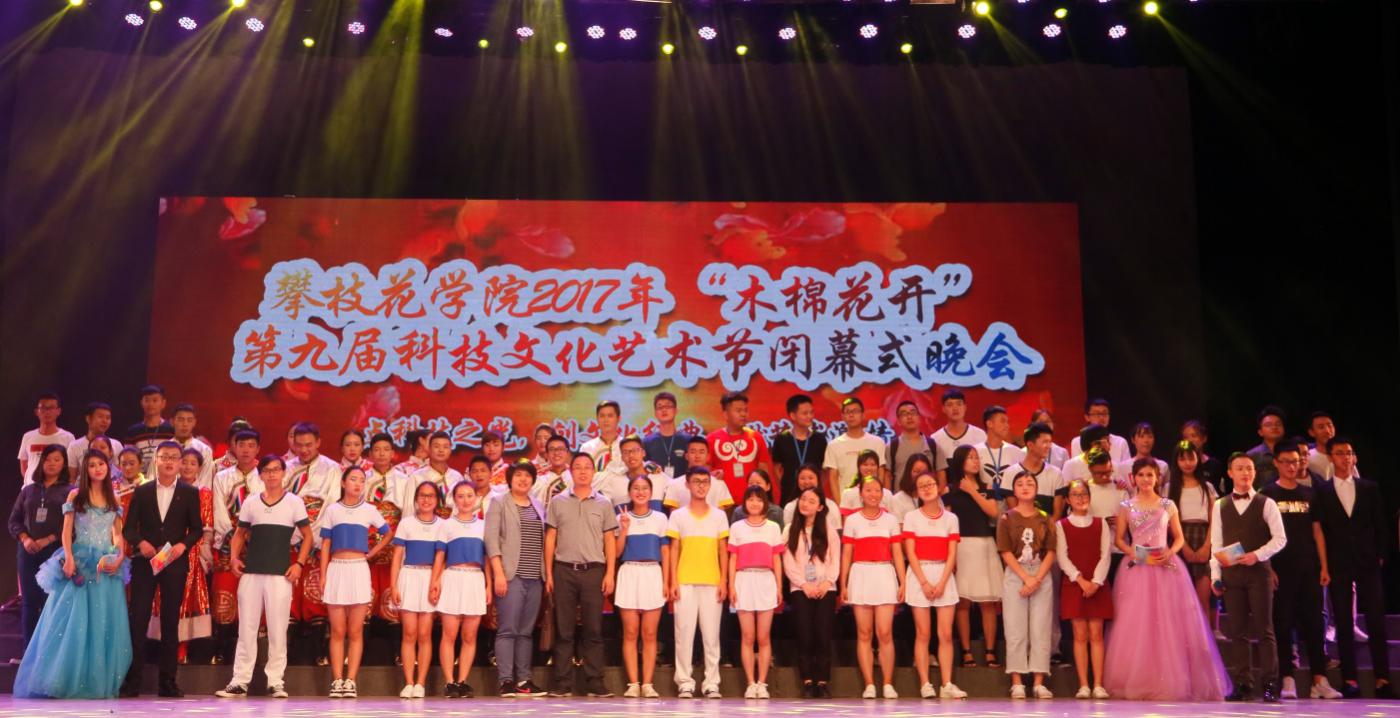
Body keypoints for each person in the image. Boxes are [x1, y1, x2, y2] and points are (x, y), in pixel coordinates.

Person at [1107, 458, 1229, 700]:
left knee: (1169, 623)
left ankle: (1172, 678)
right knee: (1137, 623)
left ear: (1158, 478)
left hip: (1165, 567)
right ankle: (1139, 678)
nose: (1145, 479)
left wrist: (1170, 552)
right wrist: (1132, 552)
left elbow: (1179, 538)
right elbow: (1119, 539)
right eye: (1141, 475)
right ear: (1133, 478)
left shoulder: (1168, 504)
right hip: (1137, 568)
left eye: (1150, 475)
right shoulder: (1126, 506)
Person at [13, 450, 130, 698]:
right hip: (80, 559)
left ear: (108, 467)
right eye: (92, 465)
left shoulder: (114, 497)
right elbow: (66, 531)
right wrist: (68, 558)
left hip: (105, 563)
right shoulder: (76, 495)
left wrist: (119, 556)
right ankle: (62, 680)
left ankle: (95, 680)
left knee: (102, 620)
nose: (98, 468)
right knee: (70, 621)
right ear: (85, 470)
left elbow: (118, 534)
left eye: (101, 464)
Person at [215, 454, 312, 699]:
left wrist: (299, 564)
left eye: (276, 470)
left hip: (280, 575)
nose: (272, 474)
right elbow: (239, 534)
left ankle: (276, 681)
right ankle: (239, 681)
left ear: (283, 473)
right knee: (246, 628)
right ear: (260, 475)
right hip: (251, 574)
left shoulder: (294, 502)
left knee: (278, 630)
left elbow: (308, 536)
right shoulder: (251, 502)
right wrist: (234, 558)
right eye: (267, 470)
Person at [121, 440, 204, 698]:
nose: (169, 462)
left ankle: (167, 682)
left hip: (174, 563)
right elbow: (128, 529)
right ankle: (133, 681)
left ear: (180, 462)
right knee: (138, 620)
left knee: (170, 622)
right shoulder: (142, 491)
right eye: (164, 457)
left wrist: (182, 545)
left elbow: (197, 529)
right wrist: (141, 543)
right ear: (155, 460)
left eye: (174, 457)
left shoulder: (190, 492)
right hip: (145, 563)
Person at [1314, 437, 1394, 698]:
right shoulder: (1322, 490)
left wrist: (1380, 554)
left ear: (1354, 457)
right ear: (1331, 458)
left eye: (1349, 453)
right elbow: (1321, 529)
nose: (1345, 458)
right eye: (1340, 453)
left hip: (1368, 560)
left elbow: (1380, 523)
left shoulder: (1369, 487)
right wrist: (1325, 563)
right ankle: (1350, 679)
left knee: (1376, 619)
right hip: (1338, 562)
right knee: (1343, 621)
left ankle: (1382, 678)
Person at [1262, 442, 1341, 699]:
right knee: (1283, 623)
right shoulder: (1268, 494)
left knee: (1315, 623)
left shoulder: (1309, 494)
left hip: (1309, 568)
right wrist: (1269, 568)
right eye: (1286, 461)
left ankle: (1319, 679)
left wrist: (1324, 566)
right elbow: (1262, 534)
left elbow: (1318, 532)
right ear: (1276, 463)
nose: (1291, 466)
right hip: (1281, 568)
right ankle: (1287, 678)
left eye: (1295, 461)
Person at [1212, 452, 1288, 702]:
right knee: (1238, 631)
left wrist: (1257, 555)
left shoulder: (1266, 503)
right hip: (1232, 574)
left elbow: (1280, 539)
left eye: (1249, 468)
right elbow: (1216, 544)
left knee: (1265, 630)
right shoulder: (1220, 505)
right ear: (1230, 473)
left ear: (1255, 472)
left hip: (1259, 574)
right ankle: (1243, 684)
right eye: (1240, 468)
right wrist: (1215, 576)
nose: (1245, 473)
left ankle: (1269, 685)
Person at [544, 453, 619, 698]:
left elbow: (609, 540)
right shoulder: (558, 501)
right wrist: (549, 573)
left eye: (588, 467)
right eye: (578, 467)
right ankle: (562, 682)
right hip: (564, 570)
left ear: (593, 472)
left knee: (593, 630)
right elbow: (550, 538)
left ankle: (595, 681)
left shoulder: (604, 503)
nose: (583, 471)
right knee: (564, 630)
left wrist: (610, 573)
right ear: (571, 471)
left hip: (594, 571)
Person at [319, 466, 393, 698]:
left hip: (359, 568)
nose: (358, 484)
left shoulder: (369, 510)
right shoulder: (332, 510)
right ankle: (337, 680)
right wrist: (323, 575)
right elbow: (325, 545)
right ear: (343, 483)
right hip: (336, 569)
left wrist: (371, 553)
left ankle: (351, 680)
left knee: (355, 630)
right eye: (353, 479)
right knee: (337, 630)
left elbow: (388, 533)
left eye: (362, 480)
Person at [485, 459, 548, 698]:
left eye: (527, 475)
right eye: (518, 475)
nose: (523, 479)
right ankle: (506, 681)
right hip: (511, 576)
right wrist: (499, 573)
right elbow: (491, 540)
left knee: (526, 632)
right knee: (508, 630)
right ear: (510, 479)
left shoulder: (538, 505)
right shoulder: (499, 502)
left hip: (535, 577)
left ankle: (524, 680)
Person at [666, 466, 730, 699]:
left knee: (711, 636)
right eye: (696, 481)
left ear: (710, 485)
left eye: (705, 481)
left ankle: (711, 683)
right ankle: (685, 682)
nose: (701, 486)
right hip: (685, 581)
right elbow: (674, 550)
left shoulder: (719, 516)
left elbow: (723, 551)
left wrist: (724, 581)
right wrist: (673, 581)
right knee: (684, 635)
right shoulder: (678, 515)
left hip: (712, 581)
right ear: (687, 485)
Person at [841, 476, 907, 699]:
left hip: (884, 574)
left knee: (885, 632)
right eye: (868, 490)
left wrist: (902, 581)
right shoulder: (852, 521)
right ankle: (869, 684)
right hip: (860, 574)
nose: (873, 494)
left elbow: (897, 553)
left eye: (877, 490)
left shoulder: (890, 520)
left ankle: (887, 683)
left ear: (882, 493)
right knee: (864, 632)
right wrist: (843, 583)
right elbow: (847, 554)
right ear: (861, 493)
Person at [903, 471, 966, 699]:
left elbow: (952, 554)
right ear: (916, 492)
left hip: (944, 575)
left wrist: (941, 582)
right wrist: (924, 582)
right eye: (922, 485)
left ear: (939, 487)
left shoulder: (951, 518)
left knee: (946, 634)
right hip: (919, 574)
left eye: (930, 484)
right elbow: (910, 552)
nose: (927, 488)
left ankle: (947, 684)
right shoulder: (911, 517)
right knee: (923, 633)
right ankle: (925, 683)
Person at [147, 448, 214, 664]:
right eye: (184, 462)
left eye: (193, 463)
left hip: (189, 550)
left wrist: (204, 551)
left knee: (185, 596)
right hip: (163, 548)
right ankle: (163, 647)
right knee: (160, 594)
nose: (187, 467)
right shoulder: (163, 488)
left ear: (200, 468)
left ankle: (182, 648)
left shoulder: (203, 493)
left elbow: (205, 526)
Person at [997, 471, 1056, 699]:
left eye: (1030, 483)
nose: (1025, 487)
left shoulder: (1045, 518)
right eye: (1020, 484)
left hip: (1040, 571)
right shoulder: (1007, 518)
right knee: (1015, 627)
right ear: (1014, 490)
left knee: (1041, 628)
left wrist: (1036, 578)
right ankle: (1017, 681)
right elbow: (1005, 551)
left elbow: (1051, 551)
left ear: (1037, 488)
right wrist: (1025, 577)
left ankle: (1039, 681)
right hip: (1016, 573)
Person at [942, 445, 1002, 669]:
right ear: (960, 462)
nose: (975, 461)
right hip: (961, 547)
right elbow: (946, 522)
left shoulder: (987, 487)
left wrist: (972, 491)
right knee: (963, 603)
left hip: (984, 545)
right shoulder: (950, 490)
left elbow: (993, 512)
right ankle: (966, 651)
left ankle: (990, 651)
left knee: (987, 603)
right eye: (970, 458)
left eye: (977, 458)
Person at [431, 481, 491, 699]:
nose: (465, 500)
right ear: (454, 499)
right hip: (453, 578)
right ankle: (449, 682)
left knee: (469, 635)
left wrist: (489, 585)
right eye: (461, 496)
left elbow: (487, 558)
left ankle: (463, 681)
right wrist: (435, 582)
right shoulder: (446, 525)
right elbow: (440, 556)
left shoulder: (484, 525)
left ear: (476, 498)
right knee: (449, 634)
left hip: (475, 579)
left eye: (469, 495)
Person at [286, 422, 342, 651]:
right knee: (289, 591)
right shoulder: (285, 468)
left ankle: (318, 650)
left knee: (315, 592)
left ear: (318, 442)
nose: (304, 450)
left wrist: (312, 535)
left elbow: (331, 503)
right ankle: (287, 649)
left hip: (319, 536)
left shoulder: (332, 468)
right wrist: (295, 533)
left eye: (308, 444)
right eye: (299, 445)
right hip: (290, 535)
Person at [8, 444, 70, 649]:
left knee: (50, 602)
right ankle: (29, 652)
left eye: (57, 460)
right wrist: (25, 538)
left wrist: (49, 539)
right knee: (28, 602)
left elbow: (72, 526)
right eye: (48, 459)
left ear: (64, 464)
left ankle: (48, 652)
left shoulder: (70, 491)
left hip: (54, 553)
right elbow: (14, 521)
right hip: (27, 552)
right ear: (41, 462)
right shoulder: (28, 490)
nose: (51, 463)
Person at [1055, 480, 1112, 699]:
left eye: (1084, 494)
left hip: (1097, 584)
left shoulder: (1100, 523)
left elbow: (1105, 554)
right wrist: (1080, 580)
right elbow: (1062, 557)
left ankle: (1098, 684)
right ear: (1068, 500)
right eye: (1075, 494)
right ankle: (1084, 685)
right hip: (1074, 584)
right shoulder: (1062, 525)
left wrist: (1096, 582)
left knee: (1096, 634)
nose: (1080, 498)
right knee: (1079, 634)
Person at [210, 429, 263, 664]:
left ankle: (252, 653)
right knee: (225, 592)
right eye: (241, 445)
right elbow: (218, 510)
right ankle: (223, 649)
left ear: (258, 449)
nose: (246, 450)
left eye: (251, 445)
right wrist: (234, 537)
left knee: (254, 596)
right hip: (228, 542)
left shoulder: (265, 476)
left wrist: (254, 536)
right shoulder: (222, 477)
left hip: (258, 543)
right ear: (234, 447)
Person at [781, 486, 839, 698]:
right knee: (804, 634)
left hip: (826, 588)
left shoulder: (828, 529)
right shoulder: (790, 529)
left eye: (811, 501)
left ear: (820, 507)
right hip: (800, 588)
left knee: (823, 634)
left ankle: (822, 681)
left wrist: (827, 582)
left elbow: (835, 559)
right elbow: (788, 561)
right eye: (803, 499)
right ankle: (807, 681)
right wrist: (803, 584)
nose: (805, 504)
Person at [615, 474, 670, 698]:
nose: (640, 492)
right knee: (630, 632)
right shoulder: (621, 517)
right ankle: (633, 683)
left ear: (651, 492)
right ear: (630, 492)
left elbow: (665, 551)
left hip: (653, 573)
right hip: (629, 572)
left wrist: (667, 580)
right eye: (636, 488)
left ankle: (647, 683)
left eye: (644, 488)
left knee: (649, 633)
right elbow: (616, 552)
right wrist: (624, 529)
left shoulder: (660, 518)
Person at [727, 486, 784, 699]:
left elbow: (777, 558)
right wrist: (731, 585)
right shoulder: (737, 527)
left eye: (759, 499)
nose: (754, 503)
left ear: (765, 503)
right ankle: (750, 683)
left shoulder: (773, 528)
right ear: (744, 503)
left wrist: (779, 586)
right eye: (750, 499)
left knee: (763, 637)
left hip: (766, 580)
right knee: (748, 636)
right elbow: (732, 558)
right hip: (744, 580)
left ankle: (762, 683)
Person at [391, 480, 443, 698]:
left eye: (431, 496)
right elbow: (397, 557)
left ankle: (421, 683)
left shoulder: (443, 525)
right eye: (422, 495)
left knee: (424, 634)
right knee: (409, 633)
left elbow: (441, 556)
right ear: (416, 499)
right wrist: (394, 585)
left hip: (430, 578)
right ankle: (409, 682)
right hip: (409, 577)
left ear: (437, 500)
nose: (426, 499)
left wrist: (435, 582)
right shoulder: (406, 524)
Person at [1166, 440, 1219, 638]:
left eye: (1191, 458)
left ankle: (1203, 641)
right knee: (1180, 599)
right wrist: (1184, 547)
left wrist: (1207, 546)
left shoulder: (1208, 487)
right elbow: (1168, 521)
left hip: (1204, 537)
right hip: (1179, 538)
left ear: (1198, 459)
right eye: (1182, 459)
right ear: (1176, 461)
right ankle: (1182, 639)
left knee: (1202, 598)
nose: (1187, 463)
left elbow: (1214, 519)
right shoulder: (1169, 488)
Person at [364, 433, 407, 624]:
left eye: (386, 449)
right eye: (377, 450)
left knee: (392, 595)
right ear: (370, 454)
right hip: (368, 543)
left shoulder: (404, 480)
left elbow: (408, 513)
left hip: (394, 542)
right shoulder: (362, 478)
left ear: (393, 453)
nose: (381, 454)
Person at [707, 391, 773, 504]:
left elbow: (764, 472)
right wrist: (712, 475)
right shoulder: (712, 439)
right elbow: (705, 470)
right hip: (722, 501)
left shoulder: (756, 437)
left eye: (745, 410)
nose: (743, 414)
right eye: (738, 410)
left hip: (751, 501)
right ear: (726, 414)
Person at [770, 394, 828, 507]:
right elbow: (777, 468)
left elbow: (825, 470)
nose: (809, 416)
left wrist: (816, 484)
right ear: (793, 415)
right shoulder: (781, 439)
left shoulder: (820, 439)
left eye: (811, 412)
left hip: (814, 496)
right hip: (789, 495)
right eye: (805, 413)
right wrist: (786, 485)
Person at [824, 396, 887, 500]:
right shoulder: (834, 445)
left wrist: (878, 498)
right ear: (842, 416)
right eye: (847, 412)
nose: (851, 415)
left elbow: (881, 473)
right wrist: (840, 504)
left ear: (863, 415)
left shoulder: (877, 442)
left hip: (872, 500)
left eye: (855, 411)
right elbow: (833, 478)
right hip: (846, 501)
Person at [1005, 422, 1065, 521]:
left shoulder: (1056, 474)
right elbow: (1014, 512)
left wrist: (1045, 528)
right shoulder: (1011, 473)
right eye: (1045, 442)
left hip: (1048, 528)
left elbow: (1057, 513)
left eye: (1050, 442)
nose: (1049, 446)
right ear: (1030, 445)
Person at [930, 389, 987, 485]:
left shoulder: (980, 435)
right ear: (943, 409)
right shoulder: (935, 439)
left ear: (965, 407)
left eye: (959, 404)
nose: (955, 408)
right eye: (950, 405)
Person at [662, 437, 735, 512]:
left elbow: (721, 514)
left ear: (708, 456)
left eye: (701, 452)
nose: (697, 456)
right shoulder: (674, 484)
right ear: (686, 456)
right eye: (693, 452)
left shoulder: (719, 484)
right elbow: (674, 515)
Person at [18, 393, 74, 484]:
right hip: (32, 487)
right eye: (43, 408)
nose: (47, 412)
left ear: (58, 411)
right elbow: (24, 463)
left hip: (57, 487)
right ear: (37, 412)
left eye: (51, 408)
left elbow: (71, 466)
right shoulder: (28, 436)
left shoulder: (68, 437)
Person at [407, 431, 464, 513]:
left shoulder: (457, 477)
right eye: (436, 446)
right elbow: (409, 509)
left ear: (450, 450)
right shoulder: (417, 477)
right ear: (429, 449)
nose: (441, 450)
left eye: (445, 447)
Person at [642, 391, 694, 479]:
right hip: (656, 486)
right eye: (660, 407)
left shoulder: (688, 440)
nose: (664, 410)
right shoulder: (647, 442)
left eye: (668, 406)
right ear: (655, 413)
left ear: (676, 411)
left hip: (683, 486)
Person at [975, 405, 1025, 494]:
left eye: (1007, 422)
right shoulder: (975, 451)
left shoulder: (1017, 452)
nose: (1007, 426)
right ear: (989, 424)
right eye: (1002, 421)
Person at [125, 385, 175, 473]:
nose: (150, 404)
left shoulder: (171, 430)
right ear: (141, 403)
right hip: (140, 477)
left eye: (155, 400)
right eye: (147, 400)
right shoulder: (133, 432)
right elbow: (128, 457)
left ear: (163, 403)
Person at [68, 401, 122, 480]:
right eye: (100, 417)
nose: (104, 421)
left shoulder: (116, 444)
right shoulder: (74, 446)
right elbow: (72, 478)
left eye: (108, 418)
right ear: (88, 419)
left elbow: (120, 475)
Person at [888, 400, 935, 486]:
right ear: (898, 421)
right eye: (904, 414)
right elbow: (887, 476)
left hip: (926, 493)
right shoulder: (891, 446)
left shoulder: (932, 444)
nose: (909, 417)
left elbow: (940, 473)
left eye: (913, 413)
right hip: (900, 494)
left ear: (919, 418)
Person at [1067, 398, 1130, 463]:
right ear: (1087, 417)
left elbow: (1125, 467)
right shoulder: (1077, 442)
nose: (1101, 417)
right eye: (1097, 414)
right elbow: (1077, 465)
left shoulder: (1120, 442)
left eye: (1104, 413)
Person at [781, 464, 841, 531]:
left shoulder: (831, 506)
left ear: (818, 480)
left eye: (811, 478)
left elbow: (837, 531)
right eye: (802, 478)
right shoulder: (790, 507)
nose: (806, 482)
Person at [581, 400, 627, 486]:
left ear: (618, 419)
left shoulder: (627, 446)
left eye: (610, 416)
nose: (606, 420)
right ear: (597, 419)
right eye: (602, 416)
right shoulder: (587, 448)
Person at [838, 449, 895, 519]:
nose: (869, 468)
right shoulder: (848, 493)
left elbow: (892, 519)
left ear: (878, 467)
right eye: (865, 464)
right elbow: (846, 522)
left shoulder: (887, 494)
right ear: (859, 467)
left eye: (873, 465)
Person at [1115, 422, 1169, 493]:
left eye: (1150, 437)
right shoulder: (1123, 467)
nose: (1146, 441)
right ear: (1133, 440)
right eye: (1141, 436)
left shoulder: (1162, 466)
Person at [171, 404, 215, 489]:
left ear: (194, 422)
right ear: (172, 421)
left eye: (189, 420)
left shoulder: (205, 450)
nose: (185, 424)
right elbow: (153, 478)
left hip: (195, 495)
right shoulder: (162, 450)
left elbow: (205, 483)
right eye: (181, 420)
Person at [1181, 419, 1226, 493]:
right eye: (1186, 437)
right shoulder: (1180, 465)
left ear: (1204, 438)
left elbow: (1219, 491)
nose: (1190, 440)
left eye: (1193, 436)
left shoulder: (1214, 465)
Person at [1247, 405, 1286, 488]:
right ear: (1260, 432)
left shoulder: (1292, 452)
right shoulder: (1252, 455)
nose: (1274, 427)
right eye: (1268, 425)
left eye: (1278, 424)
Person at [890, 453, 936, 521]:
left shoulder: (934, 497)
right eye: (917, 471)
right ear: (908, 473)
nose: (920, 475)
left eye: (925, 472)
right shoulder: (897, 499)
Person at [530, 435, 573, 506]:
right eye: (552, 449)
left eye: (560, 449)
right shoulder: (538, 477)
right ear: (547, 454)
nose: (556, 453)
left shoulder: (574, 475)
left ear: (567, 452)